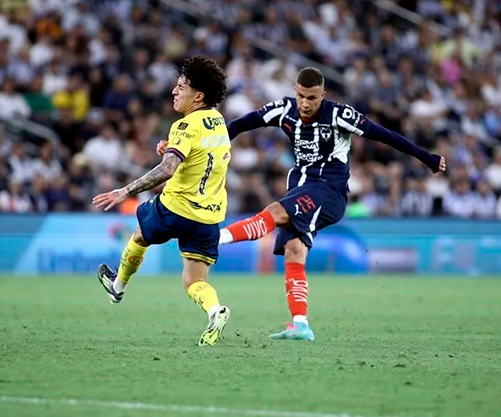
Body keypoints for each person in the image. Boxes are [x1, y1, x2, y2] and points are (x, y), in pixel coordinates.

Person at [158, 67, 446, 342]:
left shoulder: (339, 114)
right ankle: (301, 324)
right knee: (294, 251)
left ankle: (215, 238)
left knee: (274, 212)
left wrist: (427, 158)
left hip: (329, 191)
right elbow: (242, 124)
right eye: (301, 96)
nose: (305, 103)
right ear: (295, 91)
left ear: (323, 95)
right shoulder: (285, 109)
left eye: (312, 97)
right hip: (299, 188)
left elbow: (385, 135)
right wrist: (193, 146)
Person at [93, 56, 232, 346]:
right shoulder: (218, 121)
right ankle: (215, 311)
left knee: (140, 235)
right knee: (194, 281)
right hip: (209, 216)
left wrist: (125, 190)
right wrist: (172, 148)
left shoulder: (184, 125)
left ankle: (118, 286)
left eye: (181, 87)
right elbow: (203, 155)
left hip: (175, 208)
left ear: (198, 96)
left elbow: (168, 169)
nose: (174, 91)